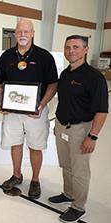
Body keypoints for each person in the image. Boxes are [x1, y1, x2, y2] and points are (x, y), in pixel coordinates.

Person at [0, 18, 58, 199]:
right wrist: (2, 102)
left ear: (32, 33)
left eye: (26, 31)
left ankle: (35, 179)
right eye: (19, 31)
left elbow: (53, 85)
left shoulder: (44, 56)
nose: (23, 35)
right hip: (12, 112)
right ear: (15, 33)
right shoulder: (6, 56)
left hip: (36, 111)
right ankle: (17, 175)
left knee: (35, 146)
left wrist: (42, 105)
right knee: (15, 143)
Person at [48, 35, 108, 222]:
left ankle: (78, 206)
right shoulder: (65, 74)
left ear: (85, 49)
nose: (70, 51)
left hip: (80, 130)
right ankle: (68, 194)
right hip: (61, 126)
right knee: (66, 165)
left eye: (75, 47)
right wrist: (57, 126)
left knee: (80, 170)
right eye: (67, 47)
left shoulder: (94, 77)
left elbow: (102, 111)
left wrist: (93, 136)